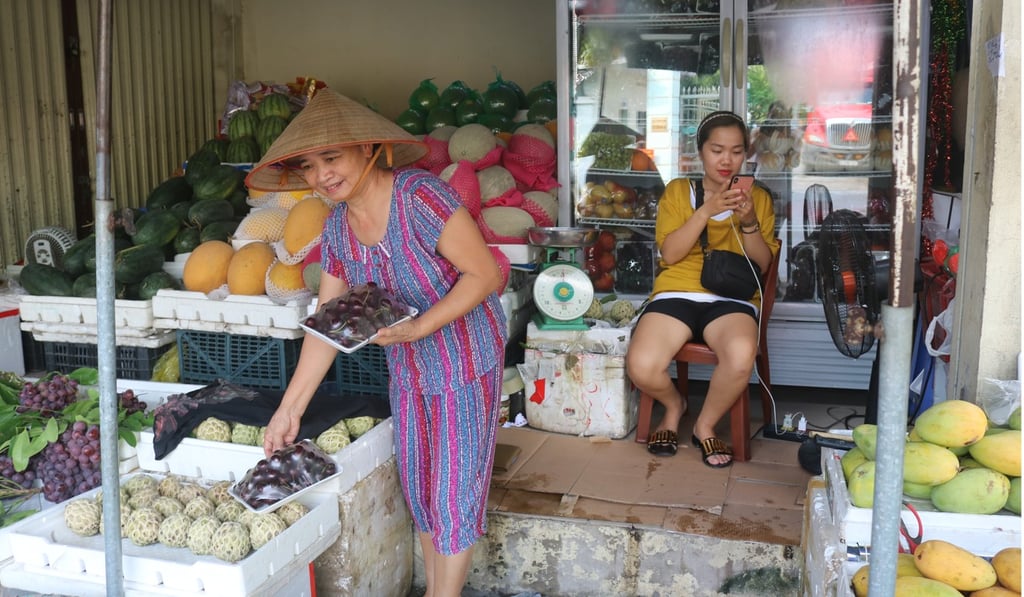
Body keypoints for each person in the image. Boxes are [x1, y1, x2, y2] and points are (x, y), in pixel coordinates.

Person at [245, 90, 508, 597]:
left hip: (464, 361)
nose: (322, 174)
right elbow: (326, 327)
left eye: (331, 157)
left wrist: (421, 327)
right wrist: (288, 410)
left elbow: (483, 275)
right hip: (410, 369)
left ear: (368, 149)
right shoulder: (338, 228)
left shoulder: (420, 196)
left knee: (453, 491)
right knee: (423, 490)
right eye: (309, 165)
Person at [625, 111, 780, 468]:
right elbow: (671, 253)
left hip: (732, 298)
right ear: (701, 152)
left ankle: (705, 425)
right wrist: (705, 211)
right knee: (642, 365)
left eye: (737, 151)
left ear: (745, 155)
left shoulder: (759, 198)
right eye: (717, 150)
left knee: (741, 356)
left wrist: (749, 222)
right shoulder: (679, 191)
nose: (727, 160)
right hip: (676, 293)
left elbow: (763, 264)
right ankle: (674, 404)